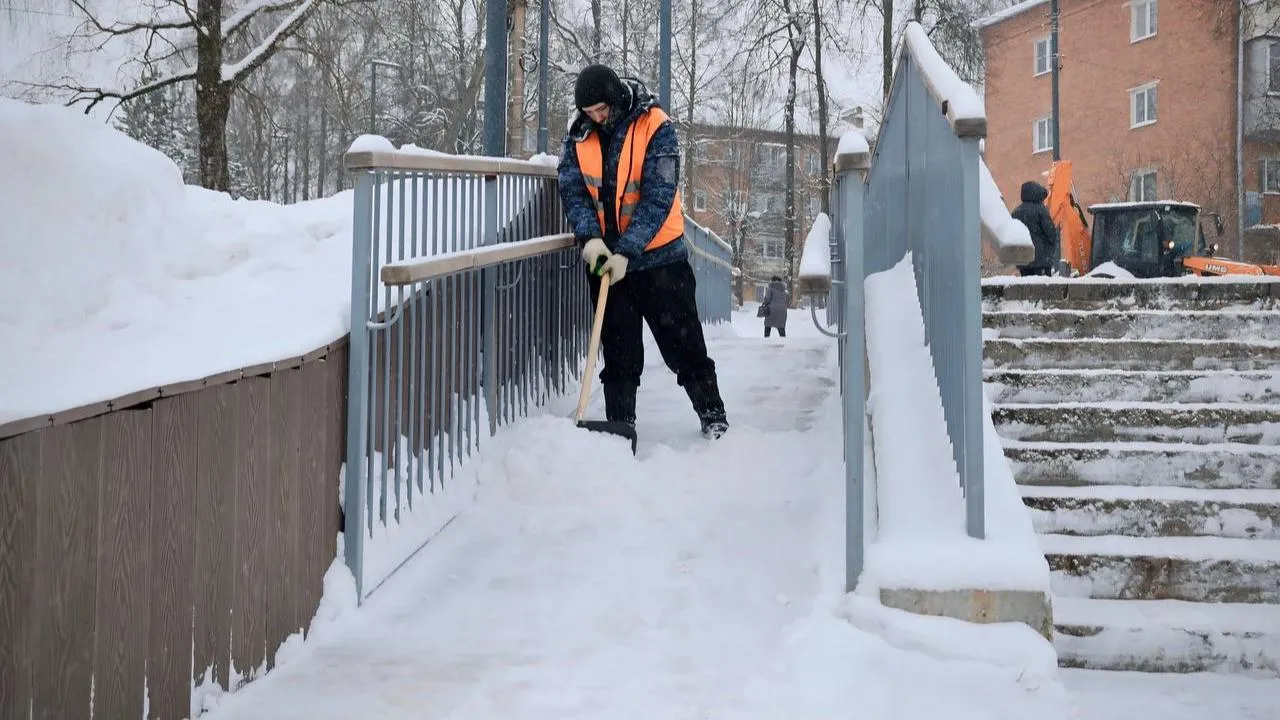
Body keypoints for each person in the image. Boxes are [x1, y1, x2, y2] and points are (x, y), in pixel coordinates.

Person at [556, 63, 729, 439]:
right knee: (619, 354)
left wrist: (628, 250)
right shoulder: (578, 137)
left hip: (660, 260)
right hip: (607, 264)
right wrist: (592, 241)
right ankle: (620, 427)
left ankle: (712, 415)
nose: (597, 119)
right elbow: (572, 191)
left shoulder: (656, 126)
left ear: (616, 98)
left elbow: (659, 195)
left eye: (602, 110)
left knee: (684, 346)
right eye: (589, 113)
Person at [1011, 180, 1060, 277]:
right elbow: (1050, 232)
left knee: (1027, 288)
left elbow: (1013, 235)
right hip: (1041, 260)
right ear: (1038, 195)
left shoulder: (1016, 212)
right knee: (1043, 288)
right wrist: (1051, 246)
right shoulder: (1040, 210)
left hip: (1023, 259)